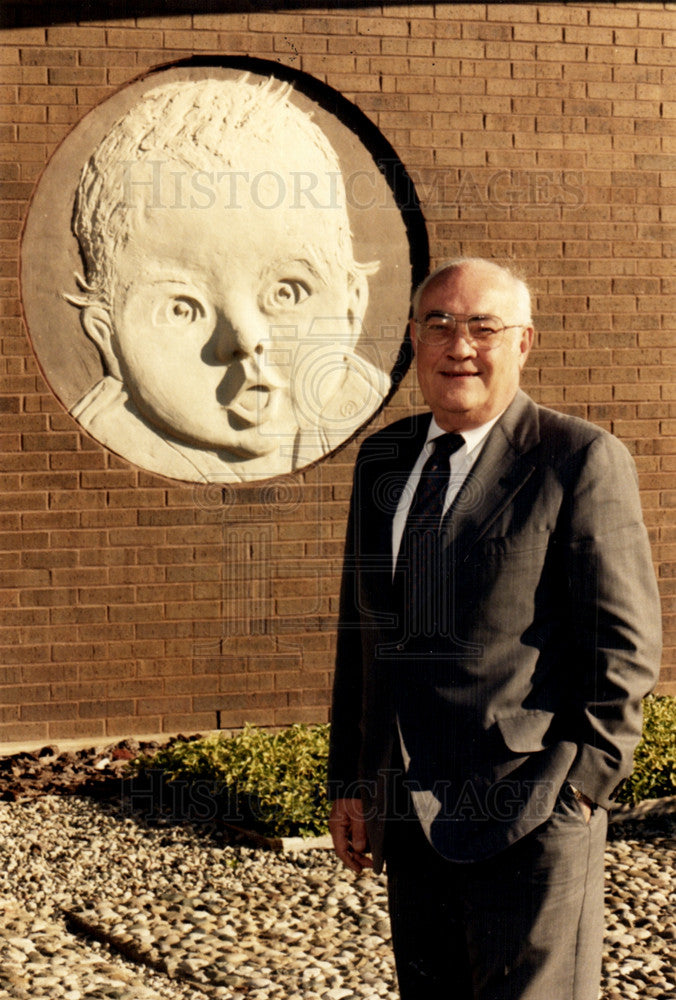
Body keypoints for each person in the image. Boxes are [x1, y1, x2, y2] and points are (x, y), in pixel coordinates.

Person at [328, 258, 662, 999]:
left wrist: (580, 790)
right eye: (440, 324)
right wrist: (352, 780)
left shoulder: (577, 460)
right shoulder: (383, 459)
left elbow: (626, 647)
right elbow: (363, 636)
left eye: (485, 326)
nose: (461, 345)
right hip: (411, 816)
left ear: (523, 343)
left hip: (530, 809)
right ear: (413, 339)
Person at [65, 76, 388, 482]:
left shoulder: (391, 433)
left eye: (286, 293)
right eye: (182, 308)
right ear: (108, 338)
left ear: (351, 308)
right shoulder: (94, 455)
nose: (245, 339)